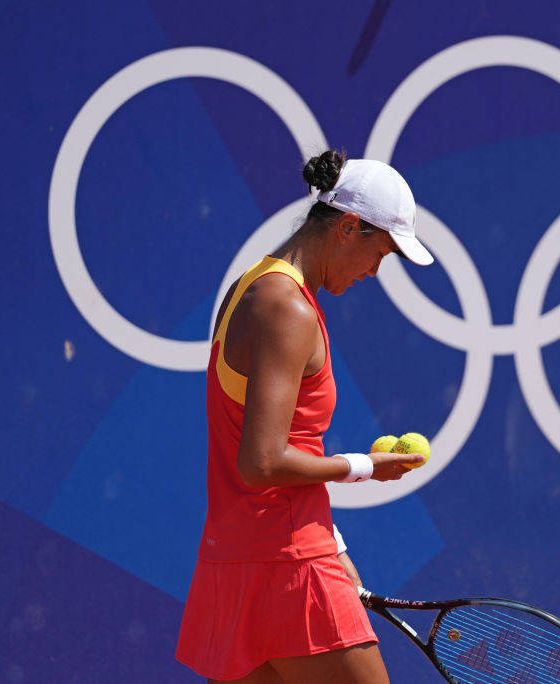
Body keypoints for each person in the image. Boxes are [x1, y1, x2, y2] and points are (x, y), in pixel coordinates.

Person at [175, 150, 434, 683]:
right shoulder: (287, 308)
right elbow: (263, 462)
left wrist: (331, 543)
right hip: (286, 564)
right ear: (348, 227)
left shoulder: (254, 286)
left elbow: (271, 452)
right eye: (380, 253)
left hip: (240, 563)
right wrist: (365, 466)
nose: (375, 271)